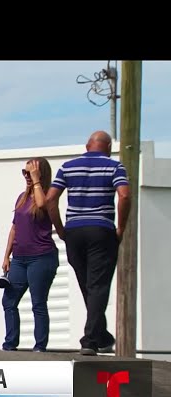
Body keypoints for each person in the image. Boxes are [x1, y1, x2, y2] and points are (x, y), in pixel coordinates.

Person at [46, 130, 131, 356]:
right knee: (98, 285)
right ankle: (91, 340)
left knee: (88, 285)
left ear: (87, 145)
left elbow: (50, 199)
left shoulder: (68, 167)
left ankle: (101, 335)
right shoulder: (114, 166)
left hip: (74, 230)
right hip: (101, 230)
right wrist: (121, 227)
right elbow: (124, 195)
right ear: (108, 148)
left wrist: (61, 228)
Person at [1, 158, 59, 352]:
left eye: (30, 172)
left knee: (38, 302)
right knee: (8, 300)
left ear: (40, 174)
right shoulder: (21, 198)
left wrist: (35, 181)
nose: (26, 176)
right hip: (19, 258)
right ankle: (10, 344)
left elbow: (42, 204)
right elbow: (14, 228)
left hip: (41, 257)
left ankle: (40, 346)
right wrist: (6, 256)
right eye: (24, 173)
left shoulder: (48, 195)